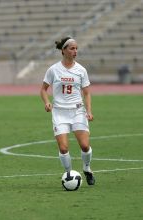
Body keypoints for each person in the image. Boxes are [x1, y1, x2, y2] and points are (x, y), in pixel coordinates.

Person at [40, 36, 95, 185]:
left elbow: (87, 92)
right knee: (63, 148)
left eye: (76, 48)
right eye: (72, 48)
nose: (75, 51)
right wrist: (47, 102)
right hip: (59, 112)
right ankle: (69, 174)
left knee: (84, 145)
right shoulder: (53, 69)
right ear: (63, 51)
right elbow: (44, 89)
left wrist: (89, 111)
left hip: (77, 111)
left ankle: (87, 168)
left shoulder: (81, 70)